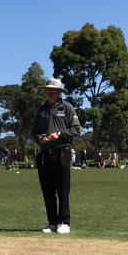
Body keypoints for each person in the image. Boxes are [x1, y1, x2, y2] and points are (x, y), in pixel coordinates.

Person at [32, 78, 81, 234]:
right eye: (47, 89)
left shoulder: (67, 108)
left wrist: (58, 134)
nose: (49, 92)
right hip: (45, 154)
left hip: (62, 151)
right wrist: (39, 137)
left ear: (59, 92)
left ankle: (64, 222)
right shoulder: (42, 110)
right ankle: (52, 222)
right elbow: (34, 131)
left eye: (52, 89)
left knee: (63, 189)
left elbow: (76, 130)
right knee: (47, 189)